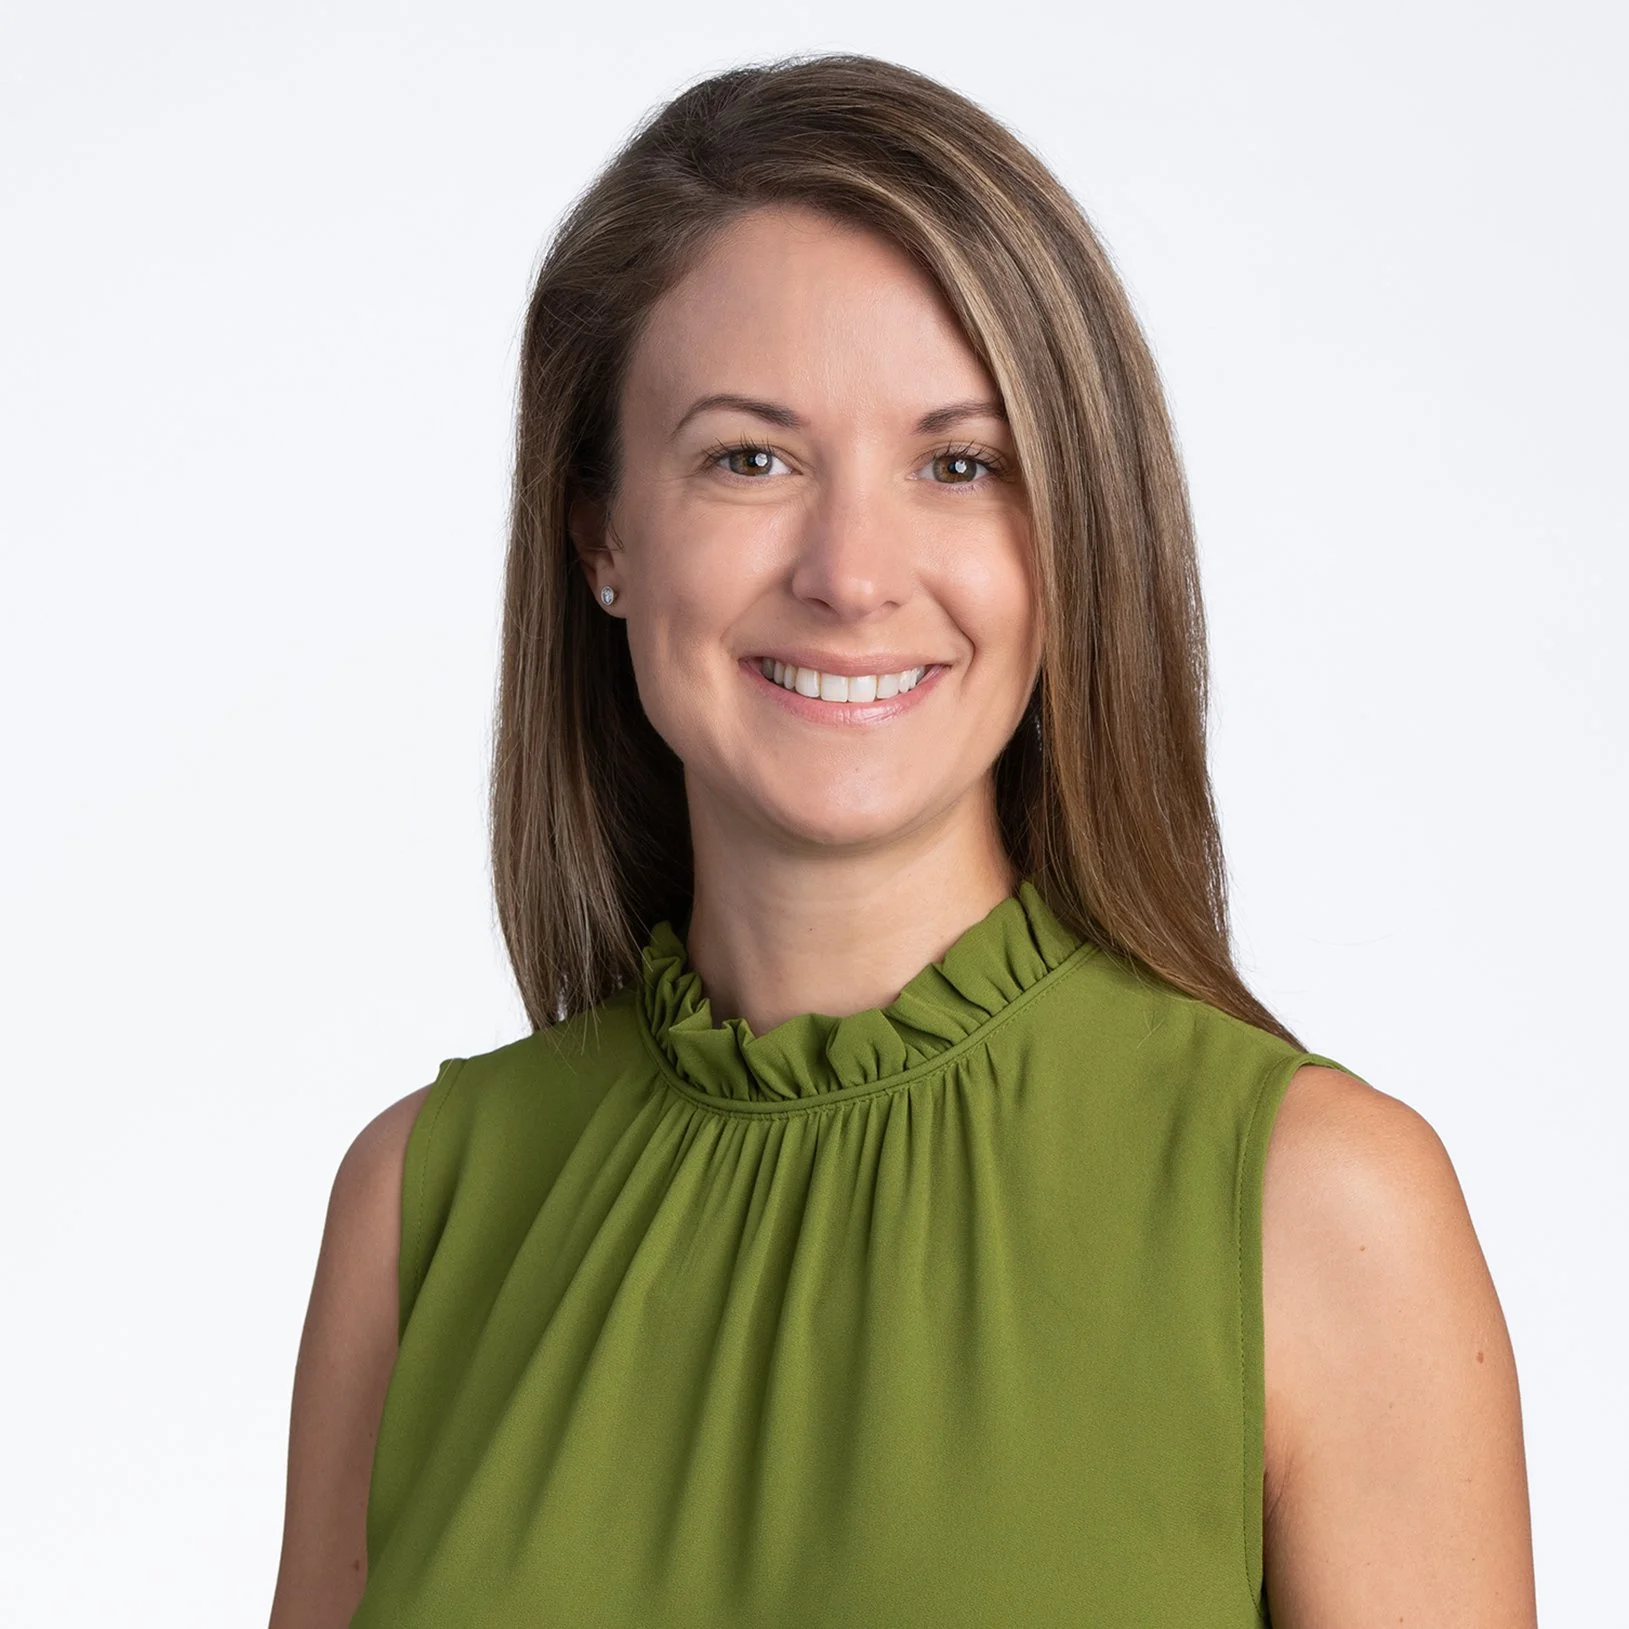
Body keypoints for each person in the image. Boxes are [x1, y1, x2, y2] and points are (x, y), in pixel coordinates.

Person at [268, 53, 1537, 1628]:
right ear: (601, 529)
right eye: (750, 457)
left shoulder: (1316, 1207)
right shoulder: (422, 1212)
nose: (853, 573)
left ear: (1075, 529)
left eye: (961, 464)